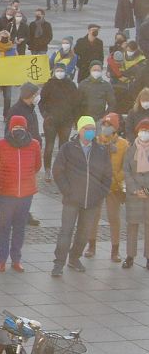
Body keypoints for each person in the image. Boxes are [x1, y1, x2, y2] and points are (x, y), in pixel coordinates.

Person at [51, 116, 112, 277]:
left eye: (92, 129)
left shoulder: (100, 150)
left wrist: (101, 193)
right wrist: (67, 190)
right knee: (66, 231)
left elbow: (107, 175)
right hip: (72, 199)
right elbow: (58, 171)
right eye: (87, 129)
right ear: (79, 130)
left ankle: (74, 257)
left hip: (92, 201)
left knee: (84, 233)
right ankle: (58, 263)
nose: (90, 132)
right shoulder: (68, 148)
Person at [0, 115, 41, 272]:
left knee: (20, 226)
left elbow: (37, 165)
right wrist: (4, 180)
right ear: (10, 129)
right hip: (6, 194)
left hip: (26, 194)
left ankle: (16, 258)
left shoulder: (34, 145)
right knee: (4, 226)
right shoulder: (0, 145)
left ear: (26, 129)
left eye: (21, 127)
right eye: (15, 127)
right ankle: (2, 259)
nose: (18, 130)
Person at [84, 113, 128, 262]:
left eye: (109, 125)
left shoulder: (123, 144)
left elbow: (126, 167)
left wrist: (116, 178)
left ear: (115, 128)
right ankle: (91, 246)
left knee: (114, 217)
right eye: (104, 124)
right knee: (93, 216)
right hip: (97, 185)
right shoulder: (96, 141)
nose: (105, 128)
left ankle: (115, 250)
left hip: (113, 186)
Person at [123, 119, 149, 269]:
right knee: (132, 225)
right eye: (142, 131)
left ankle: (148, 257)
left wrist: (146, 190)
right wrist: (135, 189)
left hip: (148, 193)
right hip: (134, 195)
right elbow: (126, 170)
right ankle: (130, 256)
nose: (144, 134)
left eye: (147, 131)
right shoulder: (131, 149)